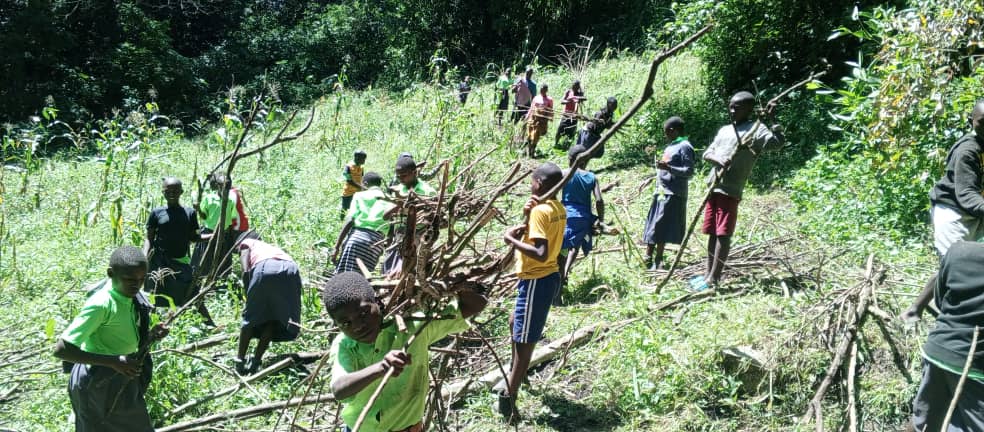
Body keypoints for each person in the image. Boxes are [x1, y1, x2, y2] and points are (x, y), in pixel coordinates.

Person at [325, 271, 487, 432]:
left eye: (363, 313)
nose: (358, 325)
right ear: (337, 326)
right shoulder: (344, 345)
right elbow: (339, 390)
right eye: (346, 323)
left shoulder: (413, 327)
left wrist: (453, 283)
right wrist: (381, 368)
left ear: (377, 302)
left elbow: (475, 304)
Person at [54, 245, 169, 432]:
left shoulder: (129, 295)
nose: (136, 285)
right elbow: (62, 350)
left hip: (120, 374)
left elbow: (121, 338)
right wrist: (113, 361)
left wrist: (150, 336)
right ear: (111, 273)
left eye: (141, 279)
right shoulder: (101, 304)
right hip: (97, 380)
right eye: (129, 279)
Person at [901, 101, 984, 322]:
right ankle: (918, 310)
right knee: (954, 265)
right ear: (972, 123)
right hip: (954, 211)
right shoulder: (967, 151)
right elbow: (966, 195)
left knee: (971, 265)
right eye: (983, 123)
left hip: (977, 211)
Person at [499, 162, 566, 421]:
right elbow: (541, 237)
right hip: (542, 279)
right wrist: (526, 217)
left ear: (538, 182)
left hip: (537, 279)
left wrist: (510, 239)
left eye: (532, 180)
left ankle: (508, 397)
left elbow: (541, 253)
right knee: (515, 322)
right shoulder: (556, 207)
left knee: (526, 340)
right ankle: (519, 372)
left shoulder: (541, 211)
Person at [697, 91, 783, 289]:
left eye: (737, 107)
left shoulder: (756, 130)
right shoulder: (725, 130)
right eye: (731, 106)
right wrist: (718, 160)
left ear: (749, 109)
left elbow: (777, 144)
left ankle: (715, 278)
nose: (732, 110)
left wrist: (773, 120)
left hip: (730, 188)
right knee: (711, 232)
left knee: (723, 234)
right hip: (714, 186)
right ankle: (707, 275)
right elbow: (707, 153)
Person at [906, 241, 984, 432]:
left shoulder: (959, 250)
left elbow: (941, 300)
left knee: (923, 422)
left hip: (938, 350)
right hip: (974, 363)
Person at [232, 231, 302, 375]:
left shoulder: (246, 244)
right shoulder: (271, 248)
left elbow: (245, 271)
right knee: (274, 318)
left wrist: (249, 295)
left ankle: (239, 361)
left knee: (250, 318)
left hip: (266, 268)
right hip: (291, 269)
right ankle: (256, 361)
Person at [641, 116, 695, 271]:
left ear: (673, 131)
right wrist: (652, 178)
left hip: (673, 193)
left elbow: (689, 171)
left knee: (662, 226)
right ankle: (648, 257)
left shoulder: (685, 146)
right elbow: (663, 169)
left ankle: (658, 260)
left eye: (666, 132)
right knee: (653, 224)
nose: (665, 136)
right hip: (661, 191)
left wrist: (669, 169)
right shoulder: (671, 146)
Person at [144, 177, 205, 311]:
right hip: (159, 261)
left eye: (175, 191)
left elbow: (194, 237)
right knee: (155, 292)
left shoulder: (190, 213)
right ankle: (153, 320)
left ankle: (208, 323)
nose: (171, 193)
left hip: (181, 261)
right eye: (168, 191)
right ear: (163, 192)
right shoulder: (156, 213)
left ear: (181, 192)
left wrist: (214, 236)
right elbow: (149, 238)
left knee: (191, 290)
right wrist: (145, 257)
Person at [558, 144, 604, 304]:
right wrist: (601, 220)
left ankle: (560, 279)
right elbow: (599, 200)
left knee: (562, 249)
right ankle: (565, 272)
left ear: (570, 159)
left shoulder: (564, 174)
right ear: (587, 160)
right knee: (574, 247)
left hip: (563, 216)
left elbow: (552, 193)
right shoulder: (591, 177)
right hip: (583, 217)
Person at [332, 172, 398, 275]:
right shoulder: (389, 200)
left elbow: (350, 220)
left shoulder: (359, 195)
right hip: (376, 244)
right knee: (362, 279)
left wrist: (336, 247)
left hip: (357, 239)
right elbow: (391, 230)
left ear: (365, 183)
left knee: (344, 277)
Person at [382, 156, 437, 277]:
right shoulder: (398, 190)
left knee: (411, 273)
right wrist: (399, 204)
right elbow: (386, 216)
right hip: (399, 238)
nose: (401, 179)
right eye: (398, 176)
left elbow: (433, 220)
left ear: (415, 172)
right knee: (389, 272)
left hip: (419, 238)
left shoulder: (428, 192)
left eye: (404, 175)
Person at [192, 172, 239, 280]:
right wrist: (198, 209)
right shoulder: (209, 198)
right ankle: (201, 284)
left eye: (227, 187)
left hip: (224, 236)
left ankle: (220, 285)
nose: (225, 189)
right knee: (204, 262)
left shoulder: (230, 201)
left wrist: (232, 239)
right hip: (208, 234)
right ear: (217, 186)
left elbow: (231, 221)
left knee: (222, 264)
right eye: (222, 186)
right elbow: (204, 216)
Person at [554, 81, 586, 150]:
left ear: (578, 87)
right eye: (573, 85)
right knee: (559, 131)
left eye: (576, 86)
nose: (574, 87)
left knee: (571, 133)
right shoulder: (568, 92)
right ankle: (556, 144)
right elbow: (562, 101)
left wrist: (577, 97)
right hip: (566, 115)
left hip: (574, 116)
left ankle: (566, 147)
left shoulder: (579, 94)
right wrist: (568, 100)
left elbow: (584, 98)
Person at [525, 84, 554, 158]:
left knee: (535, 136)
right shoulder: (536, 98)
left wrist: (551, 117)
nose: (542, 91)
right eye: (541, 89)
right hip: (533, 119)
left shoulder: (549, 99)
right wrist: (527, 116)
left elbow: (551, 110)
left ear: (546, 90)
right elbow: (532, 108)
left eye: (543, 89)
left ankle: (532, 152)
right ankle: (529, 150)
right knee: (529, 135)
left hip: (541, 121)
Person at [341, 150, 368, 220]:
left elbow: (362, 178)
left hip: (358, 193)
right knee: (345, 210)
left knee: (356, 210)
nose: (364, 161)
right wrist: (362, 187)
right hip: (348, 193)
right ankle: (341, 224)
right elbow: (349, 181)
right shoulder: (348, 167)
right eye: (363, 159)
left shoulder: (361, 167)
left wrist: (365, 185)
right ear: (357, 157)